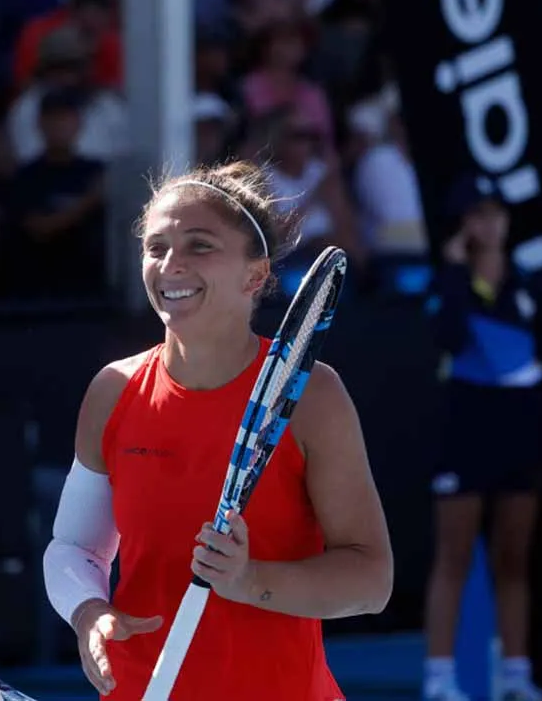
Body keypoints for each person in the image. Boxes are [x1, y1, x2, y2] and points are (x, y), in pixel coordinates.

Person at [42, 161, 394, 700]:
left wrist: (248, 581)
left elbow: (371, 582)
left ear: (254, 275)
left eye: (199, 245)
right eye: (155, 247)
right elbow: (73, 548)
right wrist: (89, 611)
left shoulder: (314, 396)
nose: (169, 264)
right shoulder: (112, 390)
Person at [421, 180, 542, 701]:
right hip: (465, 434)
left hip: (520, 435)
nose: (489, 223)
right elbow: (447, 337)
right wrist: (457, 271)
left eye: (496, 213)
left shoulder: (531, 286)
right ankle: (439, 678)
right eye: (477, 215)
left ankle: (517, 676)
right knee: (453, 554)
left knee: (514, 557)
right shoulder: (448, 282)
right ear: (464, 225)